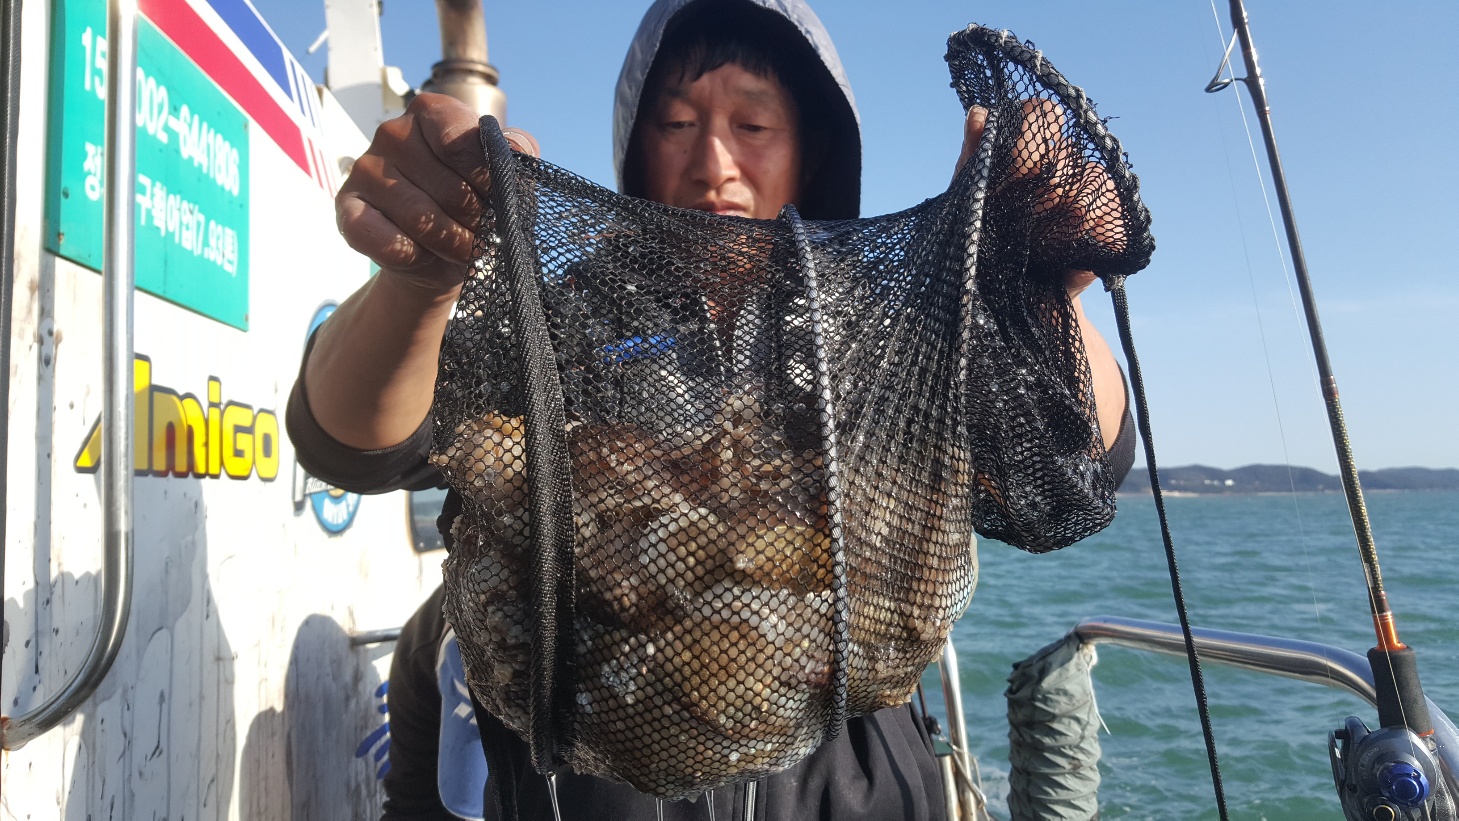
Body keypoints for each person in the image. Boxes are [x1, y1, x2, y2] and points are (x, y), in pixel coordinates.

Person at [288, 1, 1136, 818]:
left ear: (809, 150)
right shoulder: (551, 315)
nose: (714, 162)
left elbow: (1079, 461)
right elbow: (351, 444)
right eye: (677, 122)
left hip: (854, 789)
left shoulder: (884, 330)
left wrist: (1035, 295)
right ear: (635, 144)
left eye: (754, 125)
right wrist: (419, 279)